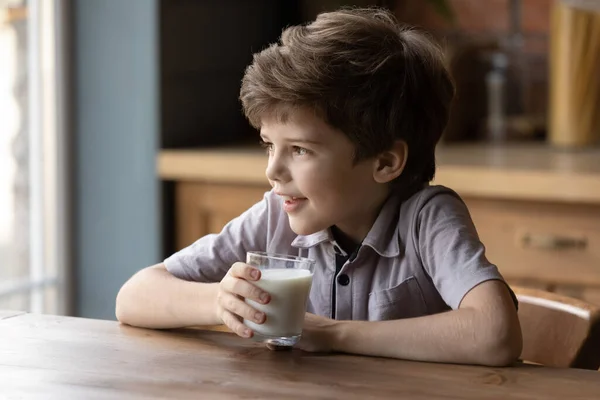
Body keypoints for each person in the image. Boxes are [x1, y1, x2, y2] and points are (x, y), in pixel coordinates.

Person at [116, 7, 522, 366]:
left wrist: (331, 334)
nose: (273, 170)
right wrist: (219, 301)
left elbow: (496, 334)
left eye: (300, 150)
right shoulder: (277, 214)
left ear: (385, 162)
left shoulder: (426, 220)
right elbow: (133, 297)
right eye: (269, 145)